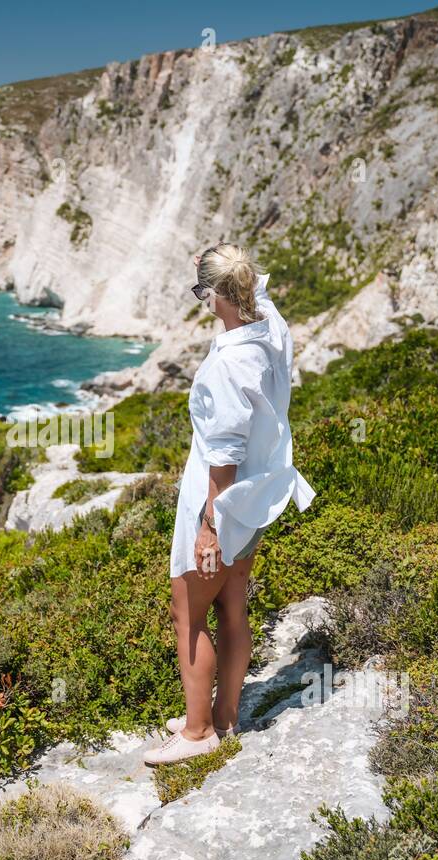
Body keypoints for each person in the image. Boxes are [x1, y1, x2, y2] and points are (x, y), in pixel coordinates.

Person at [144, 243, 316, 766]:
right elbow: (254, 285)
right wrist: (222, 265)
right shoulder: (272, 329)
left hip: (218, 500)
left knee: (188, 614)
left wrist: (207, 527)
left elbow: (222, 455)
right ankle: (226, 716)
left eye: (203, 291)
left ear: (215, 295)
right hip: (257, 495)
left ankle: (197, 734)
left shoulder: (229, 363)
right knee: (232, 603)